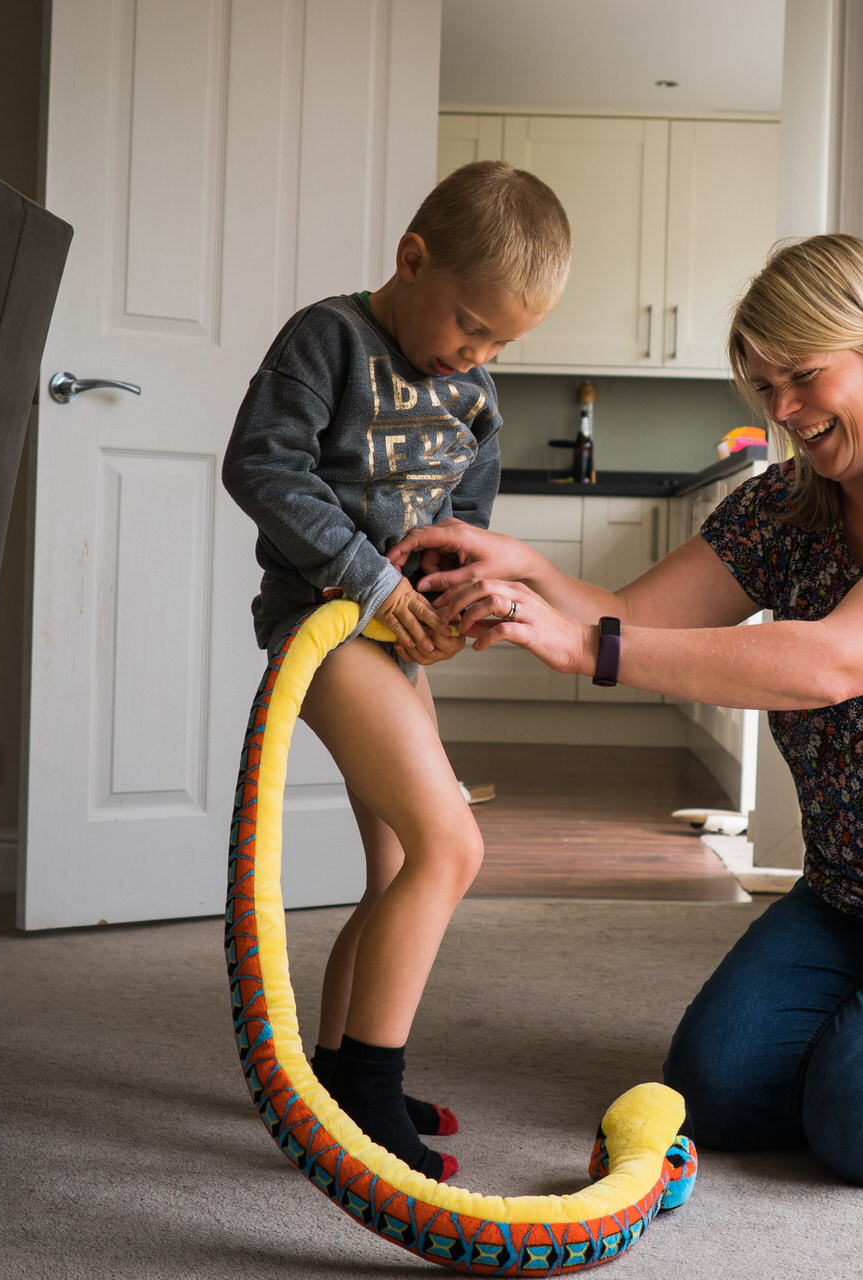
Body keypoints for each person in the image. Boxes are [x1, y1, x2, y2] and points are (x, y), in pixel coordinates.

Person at [388, 233, 863, 1189]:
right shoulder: (786, 505)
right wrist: (525, 569)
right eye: (764, 388)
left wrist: (585, 645)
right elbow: (635, 615)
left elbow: (836, 660)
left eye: (803, 375)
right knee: (711, 1093)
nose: (785, 412)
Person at [221, 159, 570, 1182]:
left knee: (399, 865)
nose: (480, 352)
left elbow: (470, 524)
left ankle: (333, 1074)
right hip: (327, 627)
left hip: (397, 636)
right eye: (471, 323)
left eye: (504, 339)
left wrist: (461, 598)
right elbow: (262, 466)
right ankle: (372, 1089)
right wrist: (373, 587)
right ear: (412, 260)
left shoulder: (474, 391)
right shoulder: (328, 339)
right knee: (448, 846)